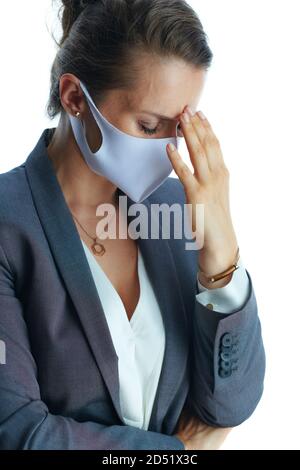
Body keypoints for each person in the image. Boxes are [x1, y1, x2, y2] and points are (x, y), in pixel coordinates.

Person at [0, 0, 265, 450]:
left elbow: (230, 405)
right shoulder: (10, 224)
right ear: (75, 98)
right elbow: (21, 433)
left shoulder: (177, 210)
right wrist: (176, 453)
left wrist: (221, 253)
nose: (168, 153)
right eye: (148, 125)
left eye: (177, 129)